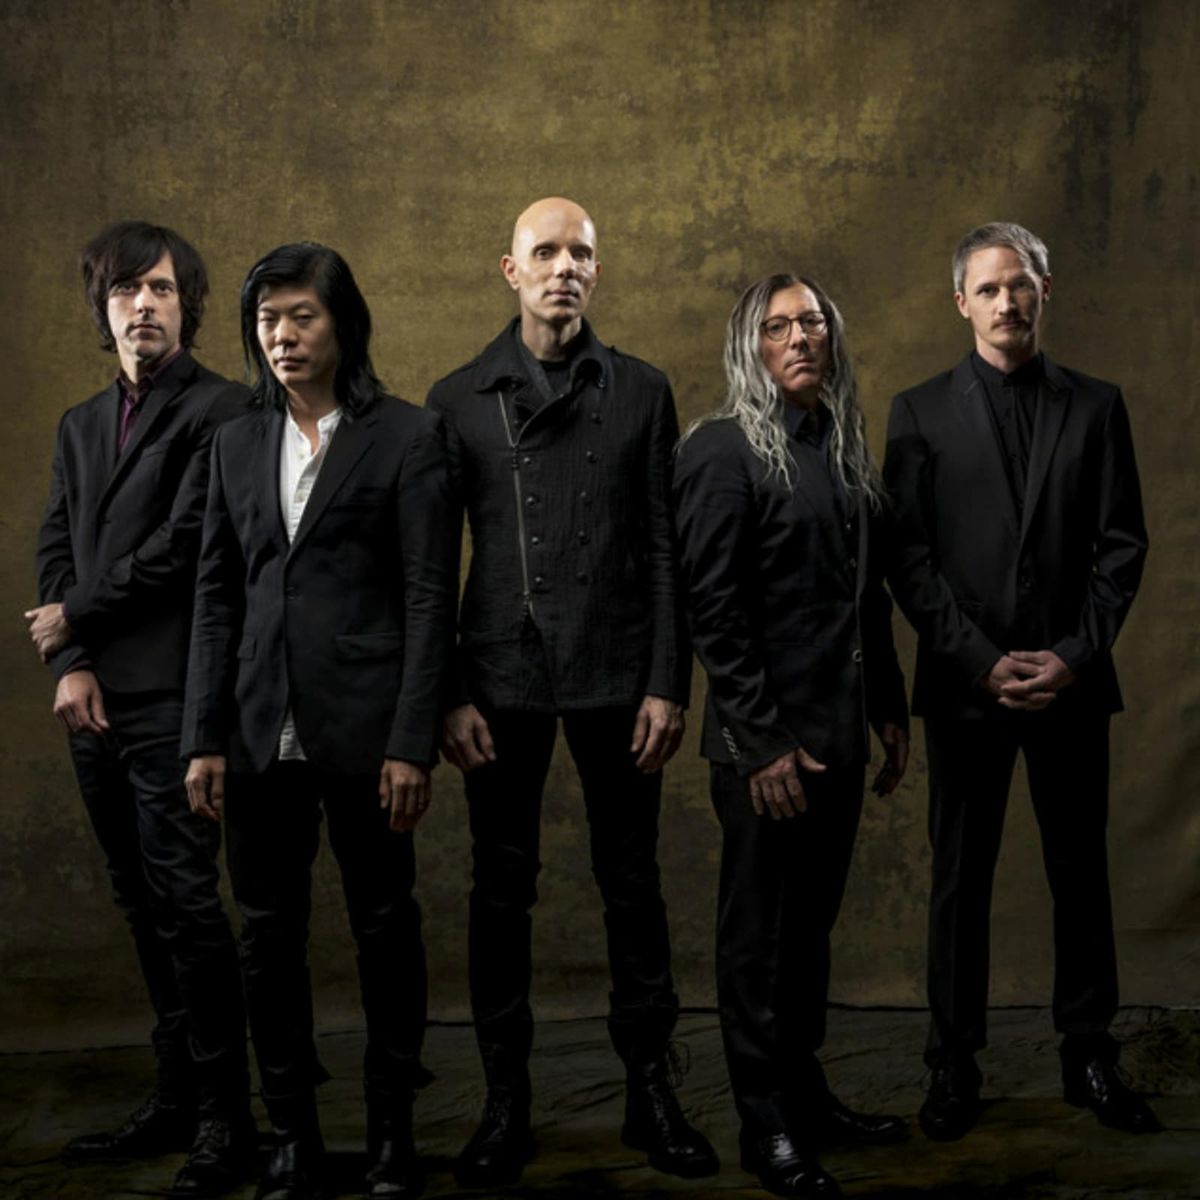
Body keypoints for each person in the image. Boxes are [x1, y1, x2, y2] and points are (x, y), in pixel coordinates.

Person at [426, 196, 716, 1187]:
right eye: (544, 252)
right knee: (500, 890)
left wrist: (667, 681)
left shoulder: (642, 389)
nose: (564, 269)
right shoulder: (457, 397)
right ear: (510, 270)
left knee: (632, 883)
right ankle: (505, 1102)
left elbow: (666, 551)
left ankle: (651, 1092)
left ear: (598, 269)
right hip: (499, 676)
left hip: (616, 669)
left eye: (580, 254)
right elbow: (432, 565)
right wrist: (447, 694)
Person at [182, 242, 457, 1200]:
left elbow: (429, 599)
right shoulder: (234, 442)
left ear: (343, 324)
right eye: (268, 320)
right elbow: (216, 598)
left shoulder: (409, 436)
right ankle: (292, 1136)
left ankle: (390, 1137)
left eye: (303, 316)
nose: (283, 336)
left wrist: (412, 741)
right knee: (267, 938)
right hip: (258, 733)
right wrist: (203, 736)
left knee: (385, 927)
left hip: (369, 733)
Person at [883, 221, 1158, 1141]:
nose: (1008, 301)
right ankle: (953, 1064)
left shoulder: (1098, 406)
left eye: (1021, 284)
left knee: (1080, 871)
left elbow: (1123, 547)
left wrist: (1072, 655)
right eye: (990, 288)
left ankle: (1089, 1054)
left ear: (1045, 291)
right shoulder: (917, 411)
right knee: (960, 878)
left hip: (1070, 685)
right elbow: (908, 560)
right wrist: (978, 658)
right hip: (968, 689)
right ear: (961, 302)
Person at [28, 220, 252, 1195]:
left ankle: (226, 1121)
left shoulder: (223, 409)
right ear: (104, 306)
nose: (145, 305)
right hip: (94, 702)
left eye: (162, 289)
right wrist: (73, 658)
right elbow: (54, 548)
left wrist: (77, 613)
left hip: (176, 698)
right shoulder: (79, 425)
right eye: (127, 290)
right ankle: (176, 1098)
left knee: (187, 904)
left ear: (186, 305)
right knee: (139, 902)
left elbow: (188, 544)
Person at [673, 274, 910, 1199]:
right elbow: (714, 613)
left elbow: (865, 597)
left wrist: (888, 706)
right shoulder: (721, 450)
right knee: (759, 942)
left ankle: (805, 1098)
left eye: (812, 322)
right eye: (778, 328)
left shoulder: (840, 448)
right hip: (764, 750)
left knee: (809, 935)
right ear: (751, 348)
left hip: (839, 737)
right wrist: (762, 743)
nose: (801, 338)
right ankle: (764, 1123)